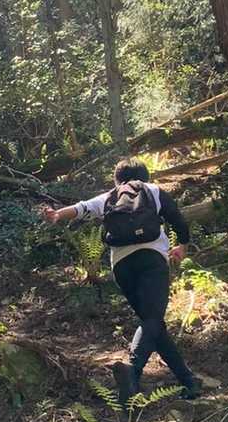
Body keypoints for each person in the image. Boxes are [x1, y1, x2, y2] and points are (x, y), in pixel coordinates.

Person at [41, 159, 200, 401]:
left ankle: (188, 382)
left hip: (122, 267)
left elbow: (82, 208)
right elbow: (177, 219)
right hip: (151, 259)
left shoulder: (110, 196)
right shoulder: (153, 190)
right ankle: (132, 371)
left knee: (152, 324)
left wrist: (57, 215)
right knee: (152, 321)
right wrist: (182, 245)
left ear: (117, 179)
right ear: (144, 176)